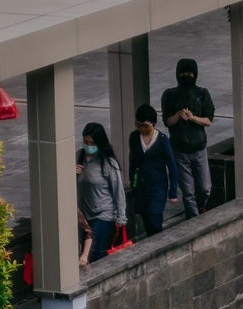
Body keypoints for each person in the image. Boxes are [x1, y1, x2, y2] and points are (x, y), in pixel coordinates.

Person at [161, 58, 215, 219]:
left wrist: (192, 118)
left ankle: (201, 205)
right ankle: (194, 219)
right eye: (183, 73)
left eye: (190, 73)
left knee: (205, 187)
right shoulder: (170, 95)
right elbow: (168, 122)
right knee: (188, 191)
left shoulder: (202, 93)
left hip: (199, 148)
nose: (186, 76)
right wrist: (178, 115)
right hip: (180, 150)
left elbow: (208, 120)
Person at [76, 122, 126, 263]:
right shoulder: (79, 156)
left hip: (103, 214)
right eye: (86, 142)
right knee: (84, 250)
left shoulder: (108, 162)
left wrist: (121, 216)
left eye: (92, 143)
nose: (88, 146)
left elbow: (118, 191)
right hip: (84, 214)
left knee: (94, 251)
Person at [128, 104, 179, 236]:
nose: (141, 128)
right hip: (141, 185)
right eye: (138, 125)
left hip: (157, 186)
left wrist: (173, 191)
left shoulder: (162, 140)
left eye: (144, 125)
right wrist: (131, 178)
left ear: (152, 124)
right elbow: (132, 159)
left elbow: (172, 165)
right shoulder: (134, 137)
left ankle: (157, 241)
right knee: (145, 216)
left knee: (154, 215)